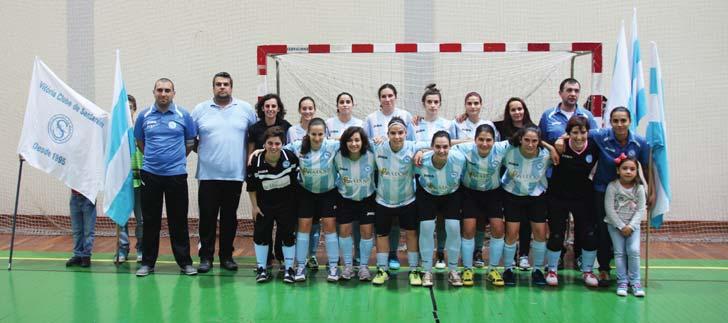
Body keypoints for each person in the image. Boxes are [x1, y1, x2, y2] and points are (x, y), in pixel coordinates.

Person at [565, 106, 652, 287]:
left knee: (629, 229)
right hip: (603, 191)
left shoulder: (640, 143)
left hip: (630, 194)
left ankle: (629, 271)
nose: (619, 125)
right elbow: (578, 133)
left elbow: (646, 167)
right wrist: (560, 139)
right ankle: (604, 267)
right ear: (610, 122)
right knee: (603, 229)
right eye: (615, 121)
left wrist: (652, 190)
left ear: (630, 122)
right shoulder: (600, 135)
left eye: (623, 120)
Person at [192, 72, 257, 273]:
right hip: (208, 176)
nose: (222, 87)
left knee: (230, 218)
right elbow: (192, 140)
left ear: (231, 87)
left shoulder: (245, 109)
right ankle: (206, 257)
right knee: (207, 218)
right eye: (218, 84)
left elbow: (253, 139)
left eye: (226, 84)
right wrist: (208, 155)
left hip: (234, 176)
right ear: (213, 88)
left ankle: (227, 256)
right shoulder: (200, 110)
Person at [134, 78, 197, 277]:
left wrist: (173, 161)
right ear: (154, 92)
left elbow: (189, 144)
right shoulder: (144, 116)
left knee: (178, 220)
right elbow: (140, 142)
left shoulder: (183, 115)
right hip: (150, 175)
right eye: (160, 90)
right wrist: (155, 161)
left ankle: (185, 263)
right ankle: (147, 263)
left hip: (176, 175)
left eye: (167, 90)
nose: (163, 94)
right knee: (150, 220)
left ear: (173, 93)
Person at [537, 79, 597, 271]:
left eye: (576, 90)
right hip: (556, 180)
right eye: (569, 90)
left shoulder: (587, 115)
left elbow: (592, 140)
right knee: (557, 228)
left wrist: (564, 137)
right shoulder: (548, 116)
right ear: (560, 92)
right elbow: (539, 140)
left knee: (584, 226)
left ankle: (582, 259)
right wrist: (553, 148)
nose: (573, 93)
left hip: (581, 184)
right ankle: (556, 260)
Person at [450, 124, 511, 287]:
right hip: (470, 193)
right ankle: (467, 269)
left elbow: (526, 137)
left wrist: (552, 148)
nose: (485, 143)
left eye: (488, 140)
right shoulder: (465, 148)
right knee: (468, 230)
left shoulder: (501, 147)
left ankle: (493, 269)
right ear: (475, 139)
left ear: (495, 140)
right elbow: (445, 143)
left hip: (493, 193)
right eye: (481, 139)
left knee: (498, 229)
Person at [543, 116, 600, 287]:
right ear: (569, 133)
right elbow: (538, 140)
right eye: (574, 132)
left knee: (588, 234)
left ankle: (588, 271)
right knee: (556, 234)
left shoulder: (593, 146)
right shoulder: (560, 145)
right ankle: (552, 269)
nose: (579, 136)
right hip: (558, 197)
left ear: (587, 133)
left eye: (583, 132)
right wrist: (554, 146)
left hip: (583, 198)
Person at [371, 117, 427, 286]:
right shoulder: (377, 146)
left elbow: (440, 142)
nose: (397, 136)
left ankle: (413, 269)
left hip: (407, 200)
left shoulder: (413, 146)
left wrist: (422, 151)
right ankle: (382, 269)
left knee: (411, 234)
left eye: (400, 133)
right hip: (382, 200)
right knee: (381, 234)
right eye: (393, 133)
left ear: (406, 133)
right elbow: (348, 138)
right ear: (387, 134)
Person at [365, 84, 415, 270]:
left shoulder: (406, 115)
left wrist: (418, 153)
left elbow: (416, 142)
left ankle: (396, 255)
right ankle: (381, 262)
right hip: (381, 169)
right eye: (383, 96)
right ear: (379, 98)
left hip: (403, 167)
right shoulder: (371, 118)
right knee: (384, 221)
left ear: (396, 96)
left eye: (390, 95)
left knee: (402, 220)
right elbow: (362, 142)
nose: (387, 99)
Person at [284, 118, 341, 282]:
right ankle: (301, 265)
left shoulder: (332, 145)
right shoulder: (297, 147)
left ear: (326, 134)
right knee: (304, 227)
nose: (317, 138)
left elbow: (355, 140)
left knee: (330, 227)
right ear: (308, 134)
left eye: (320, 134)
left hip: (328, 192)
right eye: (313, 134)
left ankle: (333, 266)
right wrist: (258, 151)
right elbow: (277, 150)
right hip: (306, 192)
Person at [500, 127, 555, 286]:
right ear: (520, 140)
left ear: (539, 142)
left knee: (540, 232)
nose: (530, 144)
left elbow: (559, 154)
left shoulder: (546, 156)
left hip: (536, 196)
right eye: (527, 140)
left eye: (534, 141)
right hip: (512, 194)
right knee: (511, 233)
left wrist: (551, 147)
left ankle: (537, 270)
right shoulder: (508, 150)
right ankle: (508, 269)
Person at [452, 92, 499, 268]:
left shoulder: (489, 125)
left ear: (481, 105)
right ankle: (461, 255)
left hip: (487, 181)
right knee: (467, 222)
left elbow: (496, 148)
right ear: (465, 105)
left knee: (482, 221)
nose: (473, 106)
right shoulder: (457, 122)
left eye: (476, 103)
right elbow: (446, 143)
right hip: (464, 181)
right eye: (469, 103)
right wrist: (467, 141)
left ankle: (478, 250)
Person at [246, 127, 299, 283]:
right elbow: (251, 187)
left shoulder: (290, 157)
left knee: (287, 235)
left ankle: (289, 269)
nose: (274, 147)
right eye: (270, 143)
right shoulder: (255, 161)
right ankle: (262, 269)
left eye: (277, 143)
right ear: (264, 144)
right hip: (264, 205)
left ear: (282, 144)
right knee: (261, 234)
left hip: (286, 204)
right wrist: (255, 207)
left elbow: (296, 182)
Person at [412, 84, 456, 270]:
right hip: (422, 179)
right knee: (426, 221)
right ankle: (425, 257)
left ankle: (440, 253)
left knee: (444, 220)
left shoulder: (448, 124)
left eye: (436, 102)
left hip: (445, 179)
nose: (432, 105)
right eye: (429, 102)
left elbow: (452, 148)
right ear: (423, 104)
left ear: (440, 104)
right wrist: (420, 151)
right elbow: (410, 146)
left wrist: (425, 150)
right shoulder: (414, 124)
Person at [414, 131, 466, 287]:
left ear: (451, 147)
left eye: (445, 147)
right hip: (427, 193)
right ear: (431, 147)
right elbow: (410, 146)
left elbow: (472, 142)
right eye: (438, 146)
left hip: (451, 194)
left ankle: (453, 270)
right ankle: (427, 270)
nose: (442, 150)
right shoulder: (421, 160)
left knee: (453, 228)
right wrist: (420, 151)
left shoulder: (459, 158)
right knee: (426, 228)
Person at [247, 93, 292, 270]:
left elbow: (287, 151)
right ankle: (264, 260)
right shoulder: (255, 128)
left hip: (281, 181)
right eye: (267, 106)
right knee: (262, 221)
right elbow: (250, 153)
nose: (270, 109)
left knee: (283, 224)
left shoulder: (286, 127)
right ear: (262, 108)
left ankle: (281, 257)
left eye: (274, 106)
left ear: (278, 108)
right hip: (261, 179)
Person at [494, 97, 537, 270]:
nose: (517, 112)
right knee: (511, 221)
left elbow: (541, 144)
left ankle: (524, 254)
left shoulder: (533, 129)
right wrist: (463, 115)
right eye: (513, 109)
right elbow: (480, 127)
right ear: (508, 112)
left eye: (520, 109)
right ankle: (510, 256)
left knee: (526, 221)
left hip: (529, 184)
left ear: (524, 110)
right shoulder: (500, 128)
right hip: (509, 183)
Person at [327, 92, 365, 267]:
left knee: (359, 223)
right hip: (338, 180)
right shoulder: (329, 123)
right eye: (341, 102)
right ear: (337, 105)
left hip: (359, 179)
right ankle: (339, 257)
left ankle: (357, 256)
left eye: (348, 101)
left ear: (353, 104)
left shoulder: (361, 124)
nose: (345, 104)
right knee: (341, 223)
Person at [334, 126, 376, 280]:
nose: (353, 143)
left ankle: (363, 267)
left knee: (366, 233)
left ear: (363, 141)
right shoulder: (338, 156)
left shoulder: (372, 156)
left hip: (367, 199)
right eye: (350, 140)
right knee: (344, 231)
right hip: (345, 199)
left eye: (357, 140)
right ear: (344, 142)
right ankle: (348, 267)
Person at [604, 155, 646, 297]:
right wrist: (621, 226)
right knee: (619, 252)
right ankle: (622, 281)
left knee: (633, 251)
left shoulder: (639, 188)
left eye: (632, 169)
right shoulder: (612, 186)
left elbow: (641, 209)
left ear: (636, 172)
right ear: (618, 170)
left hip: (633, 227)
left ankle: (635, 282)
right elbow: (609, 209)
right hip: (615, 226)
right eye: (625, 168)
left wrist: (631, 226)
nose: (628, 171)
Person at [115, 94, 143, 263]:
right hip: (121, 182)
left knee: (142, 219)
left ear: (134, 110)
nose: (128, 111)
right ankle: (122, 250)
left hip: (139, 180)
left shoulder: (139, 129)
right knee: (122, 217)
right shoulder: (116, 134)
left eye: (130, 108)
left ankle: (141, 248)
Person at [66, 191, 96, 268]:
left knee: (88, 230)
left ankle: (86, 255)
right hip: (74, 197)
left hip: (88, 196)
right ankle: (78, 255)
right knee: (77, 230)